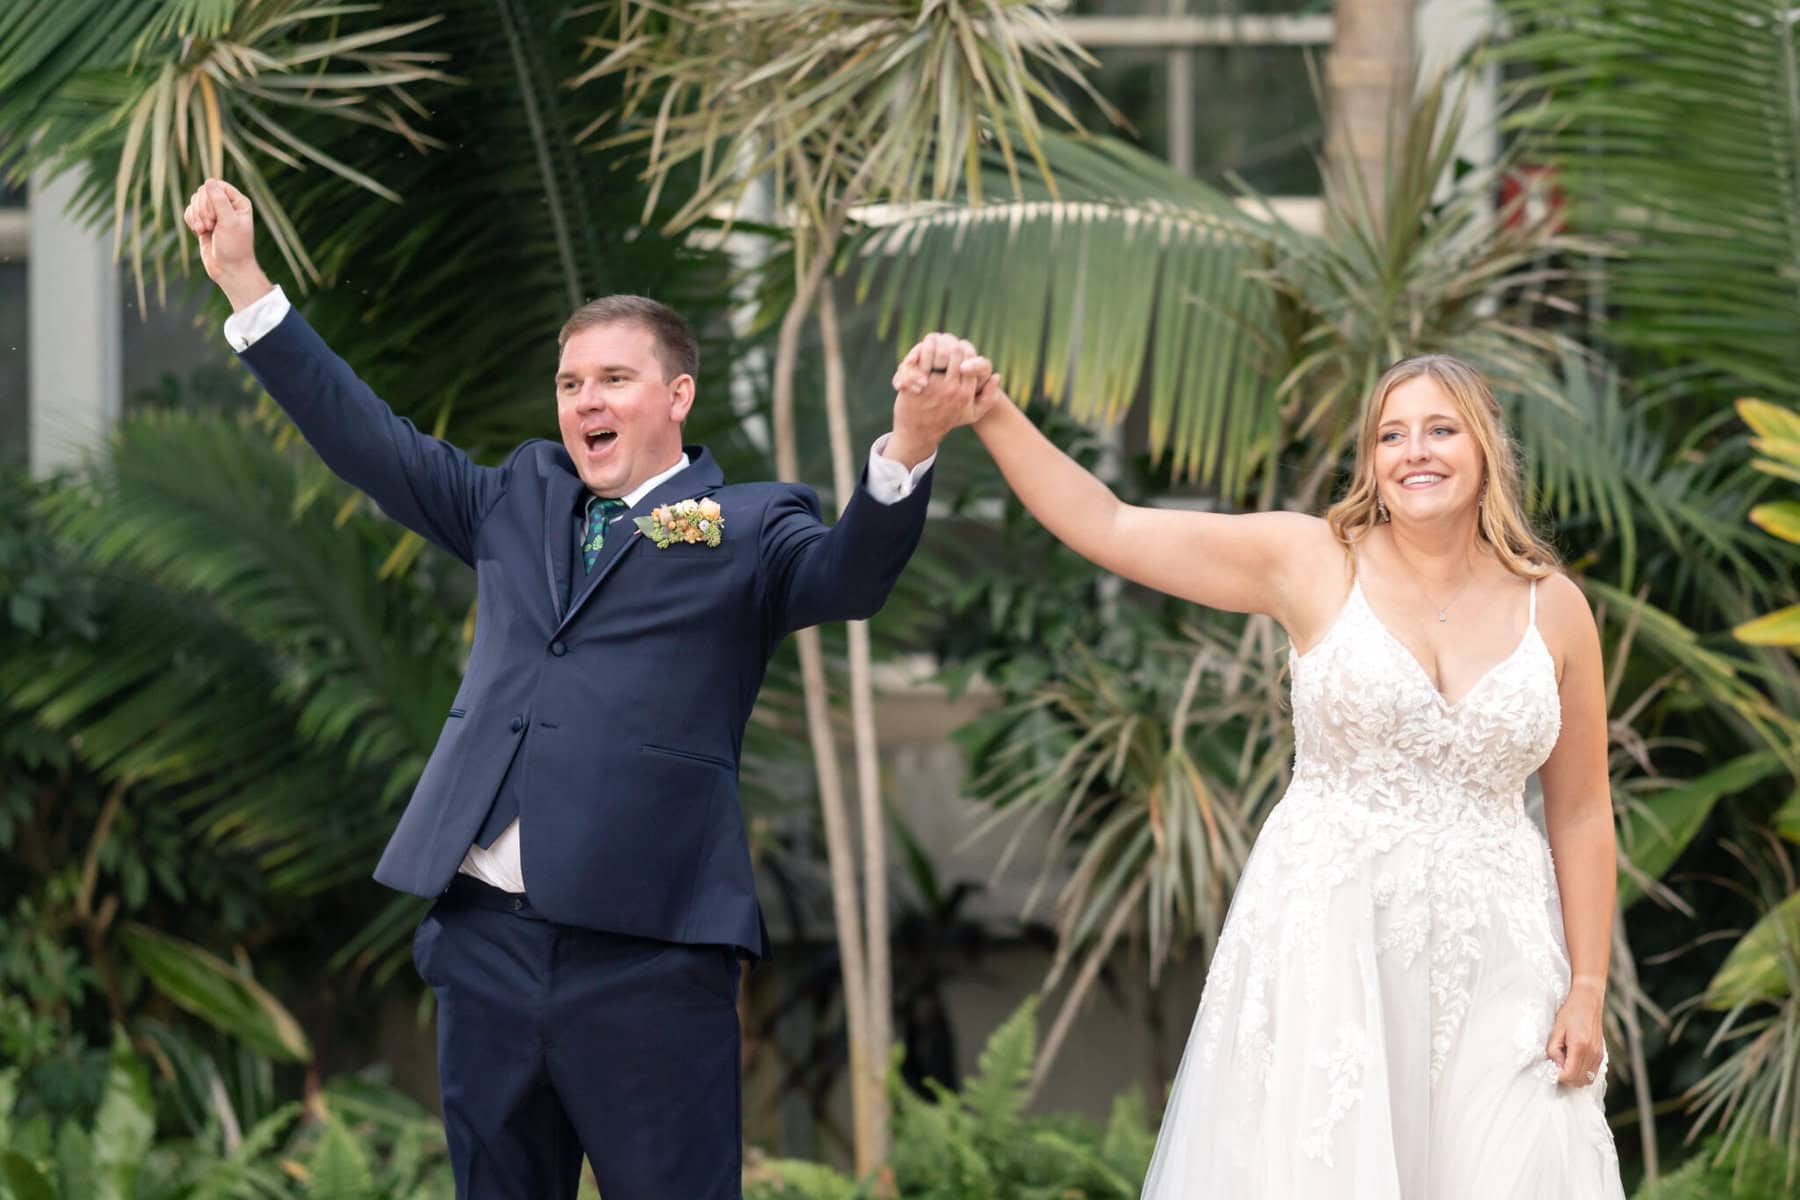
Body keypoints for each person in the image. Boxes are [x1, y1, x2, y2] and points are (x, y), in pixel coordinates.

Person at [183, 178, 988, 1200]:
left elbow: (851, 577)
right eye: (570, 384)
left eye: (613, 379)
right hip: (485, 945)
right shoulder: (516, 496)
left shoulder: (747, 525)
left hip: (649, 955)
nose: (585, 402)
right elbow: (371, 443)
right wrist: (247, 284)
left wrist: (910, 445)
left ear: (677, 396)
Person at [910, 349, 1625, 1197]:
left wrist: (1587, 985)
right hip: (1331, 946)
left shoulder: (1556, 607)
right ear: (1370, 459)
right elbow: (1111, 523)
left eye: (1441, 429)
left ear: (1487, 450)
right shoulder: (1312, 560)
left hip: (1500, 965)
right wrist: (990, 410)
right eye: (1391, 435)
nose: (1415, 452)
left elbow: (1580, 812)